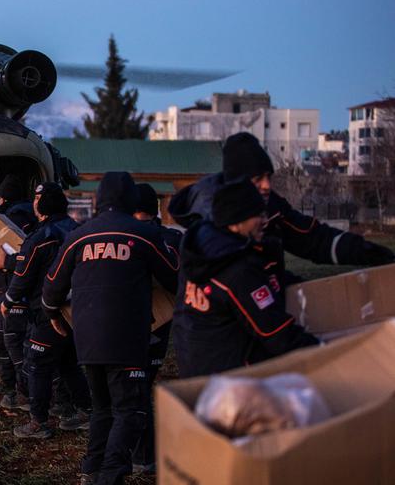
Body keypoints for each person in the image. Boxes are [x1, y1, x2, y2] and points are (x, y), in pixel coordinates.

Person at [41, 172, 179, 485]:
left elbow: (52, 285)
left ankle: (91, 470)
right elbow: (173, 276)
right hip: (127, 336)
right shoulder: (143, 234)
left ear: (100, 200)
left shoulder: (78, 235)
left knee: (102, 408)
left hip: (86, 336)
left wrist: (52, 314)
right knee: (129, 410)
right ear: (131, 199)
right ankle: (111, 475)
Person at [169, 132, 394, 276]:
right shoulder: (210, 222)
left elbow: (312, 238)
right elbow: (241, 280)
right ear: (236, 183)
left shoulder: (271, 205)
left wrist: (371, 253)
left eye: (269, 177)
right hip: (228, 335)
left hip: (263, 317)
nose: (267, 186)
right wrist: (286, 286)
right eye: (258, 179)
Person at [173, 180, 319, 378]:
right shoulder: (237, 269)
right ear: (236, 220)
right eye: (257, 214)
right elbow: (275, 333)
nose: (265, 220)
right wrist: (326, 350)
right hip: (232, 383)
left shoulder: (203, 251)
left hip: (197, 370)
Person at [0, 182, 91, 439]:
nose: (34, 203)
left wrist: (8, 300)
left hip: (47, 311)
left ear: (41, 204)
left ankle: (38, 421)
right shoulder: (78, 231)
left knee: (37, 363)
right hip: (77, 311)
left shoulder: (40, 238)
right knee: (69, 362)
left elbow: (23, 275)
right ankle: (87, 411)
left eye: (37, 198)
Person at [131, 183, 181, 475]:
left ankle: (144, 454)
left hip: (144, 319)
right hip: (161, 321)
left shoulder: (136, 237)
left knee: (136, 388)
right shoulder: (171, 237)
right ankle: (144, 451)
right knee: (141, 384)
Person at [0, 175, 38, 411]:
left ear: (2, 197)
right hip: (13, 289)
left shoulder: (12, 219)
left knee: (11, 341)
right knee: (3, 339)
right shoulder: (30, 217)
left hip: (15, 290)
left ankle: (24, 391)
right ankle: (12, 388)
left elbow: (2, 255)